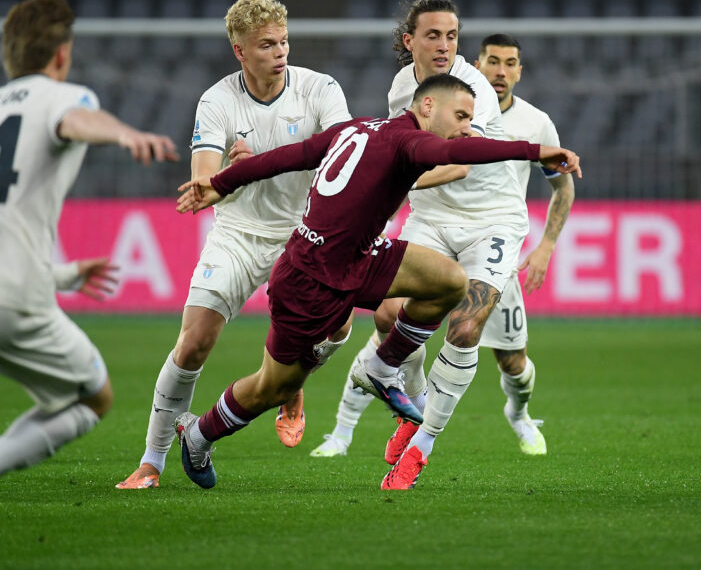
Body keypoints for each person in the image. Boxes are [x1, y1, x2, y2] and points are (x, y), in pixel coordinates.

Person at [170, 74, 580, 492]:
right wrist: (537, 151)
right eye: (459, 116)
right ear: (426, 107)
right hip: (310, 280)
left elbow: (288, 156)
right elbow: (460, 150)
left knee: (449, 282)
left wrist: (221, 182)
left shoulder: (357, 127)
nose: (466, 127)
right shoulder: (409, 142)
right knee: (275, 387)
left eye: (470, 119)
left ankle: (382, 367)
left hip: (359, 257)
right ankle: (200, 435)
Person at [0, 0, 178, 558]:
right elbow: (76, 119)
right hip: (2, 298)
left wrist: (65, 272)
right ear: (60, 55)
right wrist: (124, 133)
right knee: (92, 397)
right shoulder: (64, 96)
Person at [115, 0, 355, 490]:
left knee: (338, 328)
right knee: (194, 342)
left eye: (284, 41)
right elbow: (204, 181)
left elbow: (341, 159)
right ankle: (151, 462)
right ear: (239, 51)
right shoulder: (217, 99)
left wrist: (257, 161)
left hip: (305, 232)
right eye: (266, 45)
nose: (280, 51)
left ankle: (293, 382)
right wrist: (228, 170)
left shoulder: (320, 89)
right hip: (238, 234)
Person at [310, 32, 574, 459]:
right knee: (390, 317)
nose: (500, 72)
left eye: (510, 64)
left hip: (491, 235)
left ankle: (520, 413)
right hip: (434, 224)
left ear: (520, 71)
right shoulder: (427, 95)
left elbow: (561, 187)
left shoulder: (535, 122)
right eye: (493, 61)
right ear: (477, 65)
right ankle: (354, 428)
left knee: (511, 361)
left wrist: (545, 247)